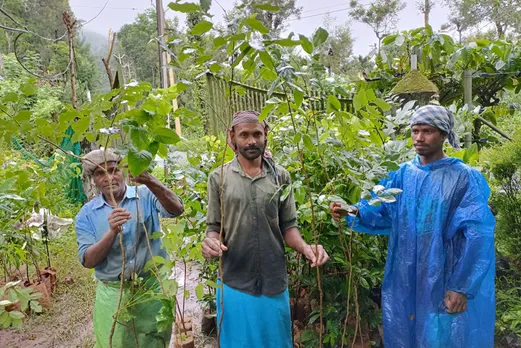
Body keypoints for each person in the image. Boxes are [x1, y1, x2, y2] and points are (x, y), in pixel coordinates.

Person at [331, 105, 496, 348]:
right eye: (415, 131)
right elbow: (381, 210)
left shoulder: (463, 177)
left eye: (427, 131)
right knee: (406, 330)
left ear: (443, 135)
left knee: (444, 335)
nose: (419, 138)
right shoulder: (403, 175)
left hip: (445, 275)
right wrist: (353, 211)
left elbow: (478, 233)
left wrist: (461, 286)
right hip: (406, 275)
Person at [202, 111, 330, 347]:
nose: (251, 141)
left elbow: (288, 226)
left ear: (265, 137)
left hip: (273, 280)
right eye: (244, 135)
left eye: (257, 134)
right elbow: (214, 227)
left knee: (275, 341)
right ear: (232, 138)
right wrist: (210, 242)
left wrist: (306, 247)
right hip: (234, 280)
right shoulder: (219, 177)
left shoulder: (281, 177)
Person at [75, 148, 184, 348]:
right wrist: (112, 232)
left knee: (155, 342)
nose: (109, 177)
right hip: (113, 296)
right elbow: (87, 260)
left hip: (151, 290)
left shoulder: (146, 195)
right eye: (100, 173)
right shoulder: (86, 215)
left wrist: (151, 181)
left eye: (113, 169)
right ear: (93, 179)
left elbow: (176, 210)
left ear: (123, 170)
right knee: (115, 343)